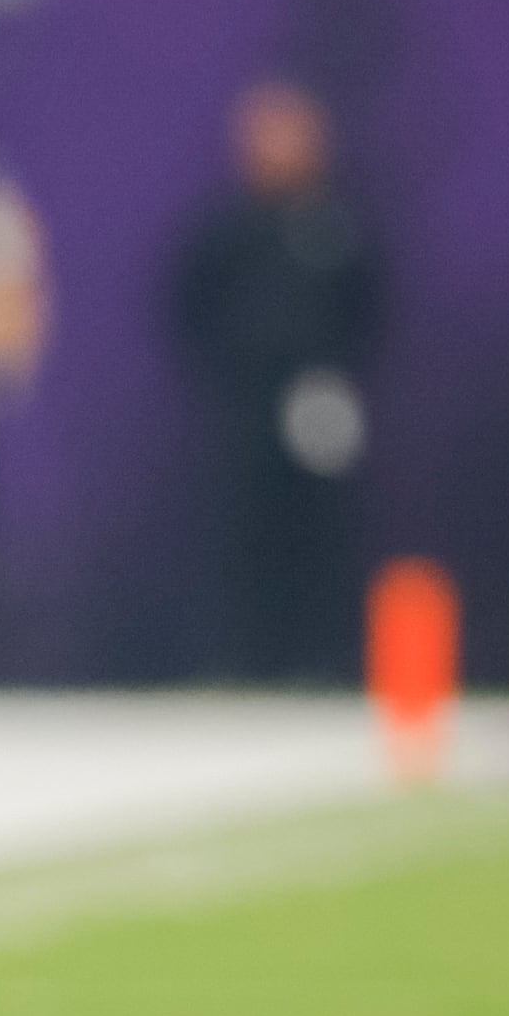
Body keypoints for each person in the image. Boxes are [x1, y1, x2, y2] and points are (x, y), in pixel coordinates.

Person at [166, 77, 383, 684]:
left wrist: (334, 378)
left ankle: (319, 659)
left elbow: (366, 310)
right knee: (242, 529)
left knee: (316, 529)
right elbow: (190, 308)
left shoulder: (335, 228)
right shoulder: (226, 231)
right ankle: (241, 661)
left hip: (318, 400)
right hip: (243, 401)